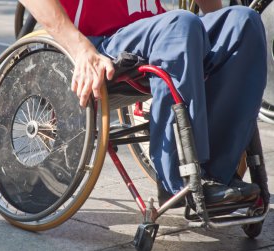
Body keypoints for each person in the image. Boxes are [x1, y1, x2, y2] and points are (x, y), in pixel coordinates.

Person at [19, 0, 267, 205]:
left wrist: (220, 34)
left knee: (244, 21)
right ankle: (179, 180)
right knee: (181, 23)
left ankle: (218, 174)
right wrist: (79, 47)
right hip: (100, 43)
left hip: (155, 32)